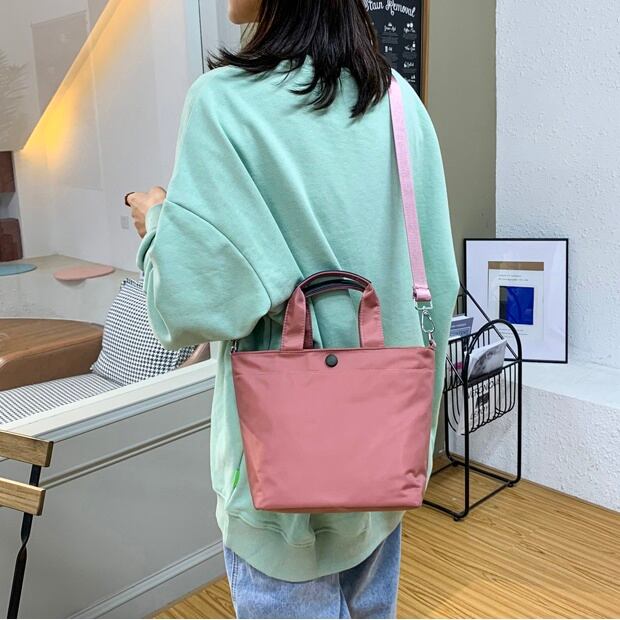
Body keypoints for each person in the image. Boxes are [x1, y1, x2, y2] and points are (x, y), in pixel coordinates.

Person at [126, 0, 459, 617]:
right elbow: (437, 282)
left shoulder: (225, 103)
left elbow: (193, 305)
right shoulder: (398, 101)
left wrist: (157, 224)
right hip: (380, 469)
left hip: (280, 498)